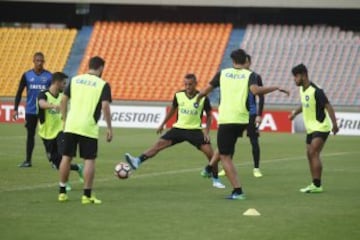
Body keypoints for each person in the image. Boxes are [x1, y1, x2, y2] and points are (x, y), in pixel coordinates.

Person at [197, 48, 289, 200]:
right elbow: (256, 90)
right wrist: (276, 87)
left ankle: (237, 191)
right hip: (243, 120)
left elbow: (206, 89)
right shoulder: (250, 75)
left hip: (227, 119)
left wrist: (197, 98)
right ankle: (209, 169)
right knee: (225, 147)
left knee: (225, 156)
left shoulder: (223, 73)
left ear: (233, 60)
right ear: (245, 61)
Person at [124, 73, 225, 189]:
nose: (188, 86)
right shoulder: (178, 95)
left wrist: (206, 132)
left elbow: (209, 115)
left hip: (195, 130)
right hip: (179, 129)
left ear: (196, 84)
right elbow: (172, 110)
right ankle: (137, 161)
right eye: (186, 84)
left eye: (190, 84)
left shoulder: (203, 97)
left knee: (210, 154)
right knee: (158, 144)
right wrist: (162, 124)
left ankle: (216, 179)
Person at [58, 56, 113, 204]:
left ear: (89, 66)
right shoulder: (103, 84)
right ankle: (86, 195)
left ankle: (62, 192)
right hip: (88, 126)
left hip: (71, 124)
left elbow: (63, 100)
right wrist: (109, 127)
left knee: (66, 157)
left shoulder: (75, 79)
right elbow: (105, 106)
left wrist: (64, 120)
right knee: (89, 160)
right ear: (101, 68)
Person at [289, 63, 338, 193]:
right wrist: (294, 113)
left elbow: (328, 106)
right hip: (311, 128)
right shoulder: (302, 89)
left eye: (296, 76)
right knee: (309, 154)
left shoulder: (317, 91)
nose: (294, 79)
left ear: (304, 76)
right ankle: (314, 184)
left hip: (321, 127)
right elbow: (304, 104)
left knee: (313, 152)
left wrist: (335, 124)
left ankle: (317, 185)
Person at [218, 54, 265, 178]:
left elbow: (261, 96)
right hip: (237, 114)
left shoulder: (254, 76)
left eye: (248, 62)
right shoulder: (234, 77)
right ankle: (226, 167)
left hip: (251, 114)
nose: (246, 64)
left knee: (254, 141)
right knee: (231, 142)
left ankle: (256, 168)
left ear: (249, 63)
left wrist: (259, 114)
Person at [37, 72, 84, 190]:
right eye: (64, 83)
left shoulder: (63, 96)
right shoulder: (43, 95)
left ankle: (64, 182)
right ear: (57, 83)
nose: (65, 85)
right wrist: (53, 106)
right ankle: (78, 168)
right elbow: (41, 104)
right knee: (56, 162)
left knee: (65, 156)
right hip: (46, 133)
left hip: (61, 130)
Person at [13, 52, 52, 167]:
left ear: (44, 62)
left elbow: (54, 94)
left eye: (41, 61)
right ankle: (28, 160)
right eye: (37, 60)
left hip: (44, 110)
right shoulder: (27, 75)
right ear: (33, 61)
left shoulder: (49, 76)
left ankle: (52, 160)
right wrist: (15, 108)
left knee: (47, 136)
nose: (39, 63)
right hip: (30, 111)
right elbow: (19, 92)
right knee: (30, 135)